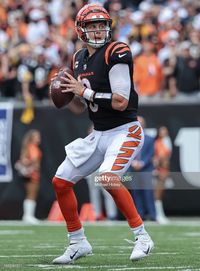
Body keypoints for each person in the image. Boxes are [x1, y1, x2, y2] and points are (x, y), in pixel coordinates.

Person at [51, 3, 154, 265]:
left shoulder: (116, 52)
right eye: (92, 25)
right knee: (61, 181)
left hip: (125, 130)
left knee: (107, 177)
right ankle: (77, 242)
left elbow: (120, 101)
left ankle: (142, 236)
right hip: (99, 133)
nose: (98, 30)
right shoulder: (78, 58)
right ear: (80, 29)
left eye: (101, 25)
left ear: (108, 27)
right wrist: (65, 92)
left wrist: (82, 91)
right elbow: (80, 106)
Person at [130, 116, 156, 221]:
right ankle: (139, 215)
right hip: (134, 170)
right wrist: (132, 162)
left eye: (141, 123)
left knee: (148, 192)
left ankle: (152, 215)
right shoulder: (130, 138)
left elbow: (151, 153)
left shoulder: (149, 138)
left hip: (146, 169)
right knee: (136, 193)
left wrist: (142, 163)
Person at [15, 129, 42, 224]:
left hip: (32, 173)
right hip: (32, 174)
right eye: (36, 137)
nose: (38, 138)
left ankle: (28, 215)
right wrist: (31, 164)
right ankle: (28, 216)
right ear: (31, 138)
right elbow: (30, 160)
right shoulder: (32, 147)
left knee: (31, 194)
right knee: (31, 194)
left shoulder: (29, 147)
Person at [154, 126, 172, 224]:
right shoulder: (158, 143)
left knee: (160, 194)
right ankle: (158, 216)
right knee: (157, 194)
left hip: (164, 170)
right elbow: (158, 158)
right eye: (162, 130)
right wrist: (157, 169)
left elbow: (166, 158)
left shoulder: (166, 141)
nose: (164, 132)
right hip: (159, 170)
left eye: (166, 130)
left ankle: (160, 215)